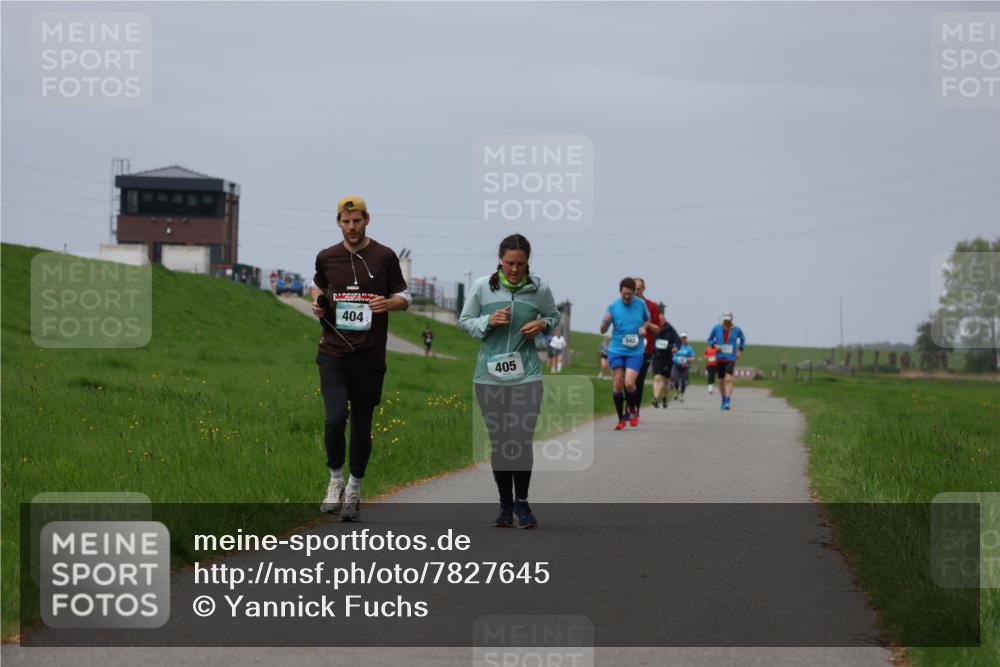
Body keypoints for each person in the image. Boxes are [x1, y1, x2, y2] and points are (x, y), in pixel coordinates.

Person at [312, 195, 410, 520]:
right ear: (339, 222)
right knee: (335, 418)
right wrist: (318, 303)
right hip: (333, 352)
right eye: (346, 221)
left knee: (361, 424)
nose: (351, 227)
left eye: (357, 221)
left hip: (369, 356)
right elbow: (317, 288)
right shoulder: (327, 257)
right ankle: (335, 481)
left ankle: (355, 489)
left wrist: (388, 304)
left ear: (367, 219)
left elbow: (404, 297)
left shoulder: (384, 257)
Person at [459, 234, 560, 529]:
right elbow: (464, 321)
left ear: (528, 262)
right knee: (501, 442)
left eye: (521, 264)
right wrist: (487, 322)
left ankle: (523, 504)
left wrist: (542, 324)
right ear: (500, 261)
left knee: (521, 436)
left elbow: (553, 317)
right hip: (489, 376)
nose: (515, 269)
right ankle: (504, 505)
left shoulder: (539, 289)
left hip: (526, 374)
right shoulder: (482, 287)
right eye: (509, 263)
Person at [601, 277, 652, 430]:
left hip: (635, 350)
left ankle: (632, 409)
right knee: (617, 383)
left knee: (629, 383)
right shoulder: (613, 306)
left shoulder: (640, 304)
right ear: (620, 292)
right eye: (624, 294)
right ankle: (620, 419)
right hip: (616, 349)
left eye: (630, 294)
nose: (627, 297)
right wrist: (605, 321)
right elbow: (602, 330)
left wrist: (644, 328)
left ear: (634, 293)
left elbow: (647, 320)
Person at [632, 278, 662, 415]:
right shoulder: (625, 304)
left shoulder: (652, 306)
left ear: (644, 289)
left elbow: (658, 329)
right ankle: (628, 407)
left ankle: (634, 410)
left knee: (638, 380)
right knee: (626, 380)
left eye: (638, 289)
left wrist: (648, 323)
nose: (635, 291)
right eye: (633, 288)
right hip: (627, 348)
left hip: (645, 349)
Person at [706, 311, 746, 411]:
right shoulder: (716, 328)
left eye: (728, 320)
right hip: (719, 357)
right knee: (721, 381)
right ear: (723, 319)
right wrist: (714, 345)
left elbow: (743, 339)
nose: (726, 322)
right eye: (725, 320)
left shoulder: (737, 330)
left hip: (730, 358)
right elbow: (710, 339)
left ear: (731, 319)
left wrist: (740, 350)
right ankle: (723, 399)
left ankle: (727, 401)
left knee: (728, 379)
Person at [651, 317, 680, 408]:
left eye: (662, 319)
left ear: (665, 320)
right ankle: (655, 397)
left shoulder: (670, 329)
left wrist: (676, 347)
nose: (660, 321)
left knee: (666, 379)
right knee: (657, 377)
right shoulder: (653, 328)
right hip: (656, 356)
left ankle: (665, 397)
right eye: (658, 319)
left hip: (667, 357)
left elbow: (678, 341)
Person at [670, 333, 695, 403]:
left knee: (684, 381)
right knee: (676, 380)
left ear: (686, 339)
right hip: (676, 365)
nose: (683, 339)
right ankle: (676, 391)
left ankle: (681, 394)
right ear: (679, 338)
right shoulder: (675, 345)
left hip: (685, 366)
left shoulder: (689, 348)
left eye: (684, 337)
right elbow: (671, 353)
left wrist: (688, 359)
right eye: (682, 337)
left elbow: (693, 358)